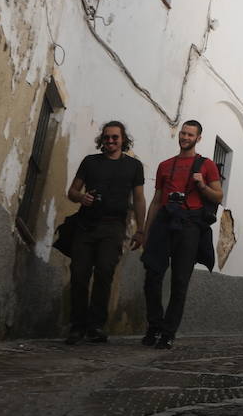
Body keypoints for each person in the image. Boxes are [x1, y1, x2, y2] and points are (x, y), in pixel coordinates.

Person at [140, 119, 222, 349]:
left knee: (180, 281)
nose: (185, 137)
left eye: (190, 135)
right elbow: (156, 201)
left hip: (190, 225)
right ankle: (154, 325)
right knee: (152, 276)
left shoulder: (207, 165)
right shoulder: (165, 165)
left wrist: (202, 185)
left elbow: (218, 196)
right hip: (164, 222)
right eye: (183, 133)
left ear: (198, 138)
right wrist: (146, 232)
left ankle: (168, 332)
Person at [65, 120, 147, 344]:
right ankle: (77, 325)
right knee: (79, 274)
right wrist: (81, 197)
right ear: (102, 139)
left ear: (123, 139)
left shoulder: (134, 166)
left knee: (104, 273)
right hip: (86, 225)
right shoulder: (90, 162)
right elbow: (72, 191)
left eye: (115, 137)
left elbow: (139, 199)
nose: (110, 141)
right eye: (107, 137)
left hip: (114, 227)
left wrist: (141, 230)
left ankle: (95, 326)